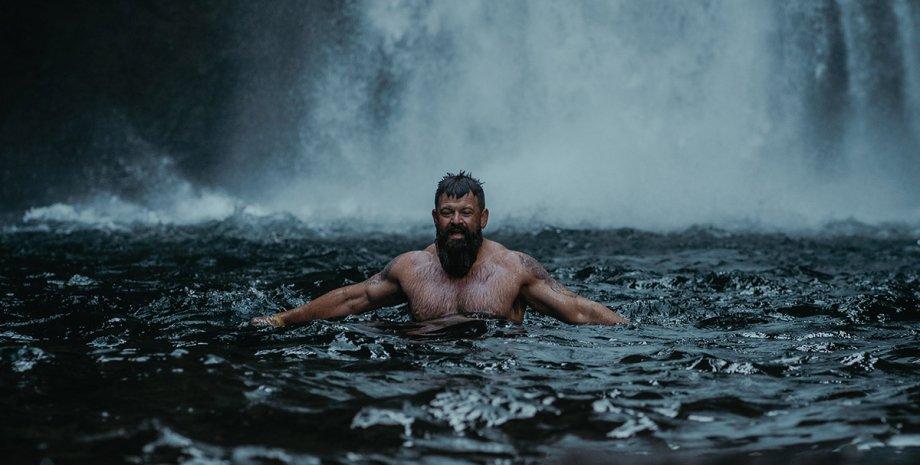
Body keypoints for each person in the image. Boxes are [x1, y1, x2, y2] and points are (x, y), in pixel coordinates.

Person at [251, 171, 628, 328]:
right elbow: (353, 299)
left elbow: (576, 308)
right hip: (427, 375)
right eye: (448, 213)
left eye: (466, 213)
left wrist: (632, 330)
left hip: (496, 380)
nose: (456, 221)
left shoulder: (514, 269)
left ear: (483, 218)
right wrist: (283, 320)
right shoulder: (411, 267)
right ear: (435, 218)